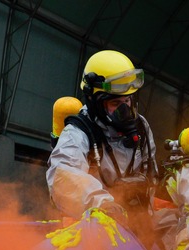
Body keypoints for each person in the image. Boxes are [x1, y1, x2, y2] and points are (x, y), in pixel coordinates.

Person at [46, 50, 158, 232]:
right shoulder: (78, 133)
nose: (125, 110)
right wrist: (102, 205)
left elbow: (150, 174)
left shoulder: (142, 126)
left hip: (135, 225)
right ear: (94, 101)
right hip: (93, 229)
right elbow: (63, 175)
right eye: (115, 104)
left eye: (127, 101)